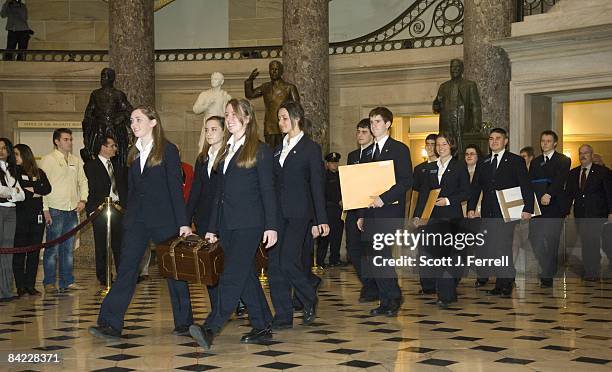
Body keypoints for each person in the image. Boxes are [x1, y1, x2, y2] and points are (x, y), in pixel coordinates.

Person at [89, 106, 194, 340]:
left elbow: (175, 190)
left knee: (174, 271)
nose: (133, 124)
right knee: (126, 270)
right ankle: (110, 323)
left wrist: (183, 223)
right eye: (132, 121)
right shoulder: (132, 153)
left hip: (164, 220)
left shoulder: (168, 150)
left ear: (153, 122)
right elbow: (133, 191)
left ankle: (185, 322)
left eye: (138, 120)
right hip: (138, 220)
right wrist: (129, 219)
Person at [189, 98, 278, 349]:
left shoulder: (259, 150)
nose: (228, 118)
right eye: (226, 114)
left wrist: (271, 226)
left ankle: (210, 328)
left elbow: (268, 191)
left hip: (250, 224)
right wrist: (213, 228)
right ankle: (262, 323)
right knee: (245, 276)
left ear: (247, 118)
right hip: (228, 224)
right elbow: (220, 194)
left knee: (231, 275)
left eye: (234, 114)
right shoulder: (227, 149)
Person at [267, 100, 328, 330]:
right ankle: (283, 315)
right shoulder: (277, 148)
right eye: (279, 118)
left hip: (299, 213)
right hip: (277, 215)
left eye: (284, 118)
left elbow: (316, 186)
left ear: (296, 118)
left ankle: (309, 296)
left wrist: (320, 219)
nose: (280, 122)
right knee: (275, 265)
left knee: (287, 261)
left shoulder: (311, 149)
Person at [186, 115, 244, 321]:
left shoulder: (230, 156)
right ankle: (217, 309)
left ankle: (236, 301)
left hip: (224, 219)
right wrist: (186, 220)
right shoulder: (202, 159)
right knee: (208, 268)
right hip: (204, 219)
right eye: (206, 129)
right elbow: (195, 191)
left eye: (213, 129)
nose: (209, 133)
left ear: (224, 131)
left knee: (229, 265)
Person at [358, 107, 412, 317]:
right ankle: (388, 297)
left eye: (377, 122)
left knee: (382, 255)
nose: (373, 126)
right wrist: (362, 213)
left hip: (389, 211)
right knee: (373, 257)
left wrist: (384, 198)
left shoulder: (399, 149)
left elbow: (407, 181)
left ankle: (391, 298)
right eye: (371, 122)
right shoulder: (368, 152)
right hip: (371, 213)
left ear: (388, 124)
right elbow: (364, 186)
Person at [468, 128, 533, 297]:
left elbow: (525, 184)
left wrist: (528, 208)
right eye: (491, 138)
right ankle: (506, 279)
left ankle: (503, 285)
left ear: (505, 141)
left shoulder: (515, 160)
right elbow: (476, 186)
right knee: (493, 248)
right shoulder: (484, 162)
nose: (494, 141)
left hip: (507, 212)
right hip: (488, 212)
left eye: (498, 138)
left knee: (503, 247)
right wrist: (471, 207)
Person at [413, 133, 470, 308]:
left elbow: (466, 192)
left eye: (444, 144)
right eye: (438, 145)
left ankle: (447, 294)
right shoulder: (431, 167)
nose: (440, 147)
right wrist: (418, 215)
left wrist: (448, 200)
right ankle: (442, 291)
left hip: (451, 216)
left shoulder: (459, 166)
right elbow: (423, 193)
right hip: (432, 218)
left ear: (451, 146)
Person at [39, 128, 88, 293]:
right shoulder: (48, 160)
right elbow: (42, 186)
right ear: (57, 141)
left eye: (71, 139)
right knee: (52, 248)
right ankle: (49, 282)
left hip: (72, 209)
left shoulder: (75, 160)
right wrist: (45, 209)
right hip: (55, 209)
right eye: (66, 139)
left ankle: (67, 281)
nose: (70, 142)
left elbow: (83, 180)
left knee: (68, 248)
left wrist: (83, 199)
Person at [84, 135, 127, 289]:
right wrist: (91, 210)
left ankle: (122, 275)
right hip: (100, 209)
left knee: (119, 244)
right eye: (112, 145)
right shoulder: (91, 166)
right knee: (102, 244)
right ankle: (104, 276)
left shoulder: (118, 166)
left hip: (118, 209)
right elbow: (89, 189)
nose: (115, 149)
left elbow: (124, 189)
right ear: (103, 147)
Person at [528, 130, 570, 288]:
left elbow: (560, 180)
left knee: (552, 242)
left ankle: (547, 275)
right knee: (534, 239)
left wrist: (549, 194)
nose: (544, 143)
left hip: (554, 207)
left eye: (548, 141)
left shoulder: (563, 160)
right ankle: (548, 268)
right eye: (542, 141)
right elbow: (531, 181)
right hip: (537, 208)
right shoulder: (536, 161)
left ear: (555, 143)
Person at [566, 144, 612, 281]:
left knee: (599, 242)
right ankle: (591, 271)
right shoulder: (573, 173)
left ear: (592, 155)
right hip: (581, 214)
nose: (583, 155)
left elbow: (609, 193)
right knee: (587, 242)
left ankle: (594, 270)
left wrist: (611, 211)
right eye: (580, 153)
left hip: (598, 214)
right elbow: (569, 194)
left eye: (586, 153)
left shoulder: (602, 172)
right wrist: (566, 210)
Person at [12, 144, 51, 296]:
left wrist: (33, 189)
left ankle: (30, 285)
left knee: (34, 252)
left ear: (25, 154)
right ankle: (20, 286)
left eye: (16, 154)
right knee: (20, 251)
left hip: (37, 217)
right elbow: (19, 190)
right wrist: (33, 191)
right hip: (20, 216)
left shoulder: (38, 172)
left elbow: (46, 188)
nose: (14, 157)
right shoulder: (13, 172)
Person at [345, 118, 377, 302]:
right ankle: (368, 283)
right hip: (352, 209)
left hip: (369, 209)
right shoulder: (352, 155)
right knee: (353, 250)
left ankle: (372, 287)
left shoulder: (375, 154)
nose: (359, 135)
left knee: (370, 250)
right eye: (358, 132)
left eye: (364, 132)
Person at [82, 68, 133, 165]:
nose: (102, 79)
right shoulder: (95, 94)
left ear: (111, 78)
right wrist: (88, 131)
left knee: (116, 156)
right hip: (99, 129)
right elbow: (89, 112)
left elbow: (129, 111)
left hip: (115, 129)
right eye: (101, 76)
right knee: (97, 155)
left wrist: (120, 118)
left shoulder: (118, 95)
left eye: (104, 76)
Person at [244, 60, 300, 149]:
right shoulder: (265, 87)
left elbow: (297, 107)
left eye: (276, 69)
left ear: (281, 71)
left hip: (285, 124)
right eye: (271, 69)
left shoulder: (289, 88)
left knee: (284, 149)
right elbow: (250, 94)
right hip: (270, 125)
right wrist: (249, 81)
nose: (273, 71)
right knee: (270, 152)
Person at [432, 59, 482, 155]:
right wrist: (437, 102)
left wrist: (476, 127)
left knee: (462, 151)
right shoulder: (443, 86)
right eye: (452, 67)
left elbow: (476, 106)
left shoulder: (470, 85)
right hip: (447, 125)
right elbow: (436, 108)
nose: (454, 69)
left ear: (462, 69)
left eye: (457, 67)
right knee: (448, 150)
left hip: (463, 125)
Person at [412, 134, 438, 295]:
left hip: (438, 213)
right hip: (422, 215)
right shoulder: (419, 169)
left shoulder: (442, 166)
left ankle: (439, 283)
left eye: (432, 144)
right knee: (423, 250)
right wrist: (415, 215)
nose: (429, 147)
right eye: (427, 144)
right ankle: (427, 285)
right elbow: (415, 196)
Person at [0, 138, 25, 301]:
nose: (1, 150)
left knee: (8, 251)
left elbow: (21, 195)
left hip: (11, 211)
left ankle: (7, 290)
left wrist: (11, 192)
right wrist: (12, 192)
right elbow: (1, 191)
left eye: (3, 148)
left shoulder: (13, 169)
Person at [193, 72, 232, 152]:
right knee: (203, 150)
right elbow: (195, 109)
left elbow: (228, 113)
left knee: (222, 150)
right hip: (208, 126)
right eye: (212, 79)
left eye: (216, 79)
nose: (213, 81)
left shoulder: (225, 96)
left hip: (220, 127)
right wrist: (207, 105)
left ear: (222, 82)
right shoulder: (205, 94)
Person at [317, 152, 343, 267]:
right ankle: (320, 261)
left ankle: (335, 259)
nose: (335, 165)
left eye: (336, 163)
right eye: (332, 163)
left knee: (337, 235)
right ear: (327, 164)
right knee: (325, 237)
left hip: (340, 211)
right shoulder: (324, 176)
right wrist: (337, 200)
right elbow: (325, 193)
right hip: (329, 209)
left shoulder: (341, 176)